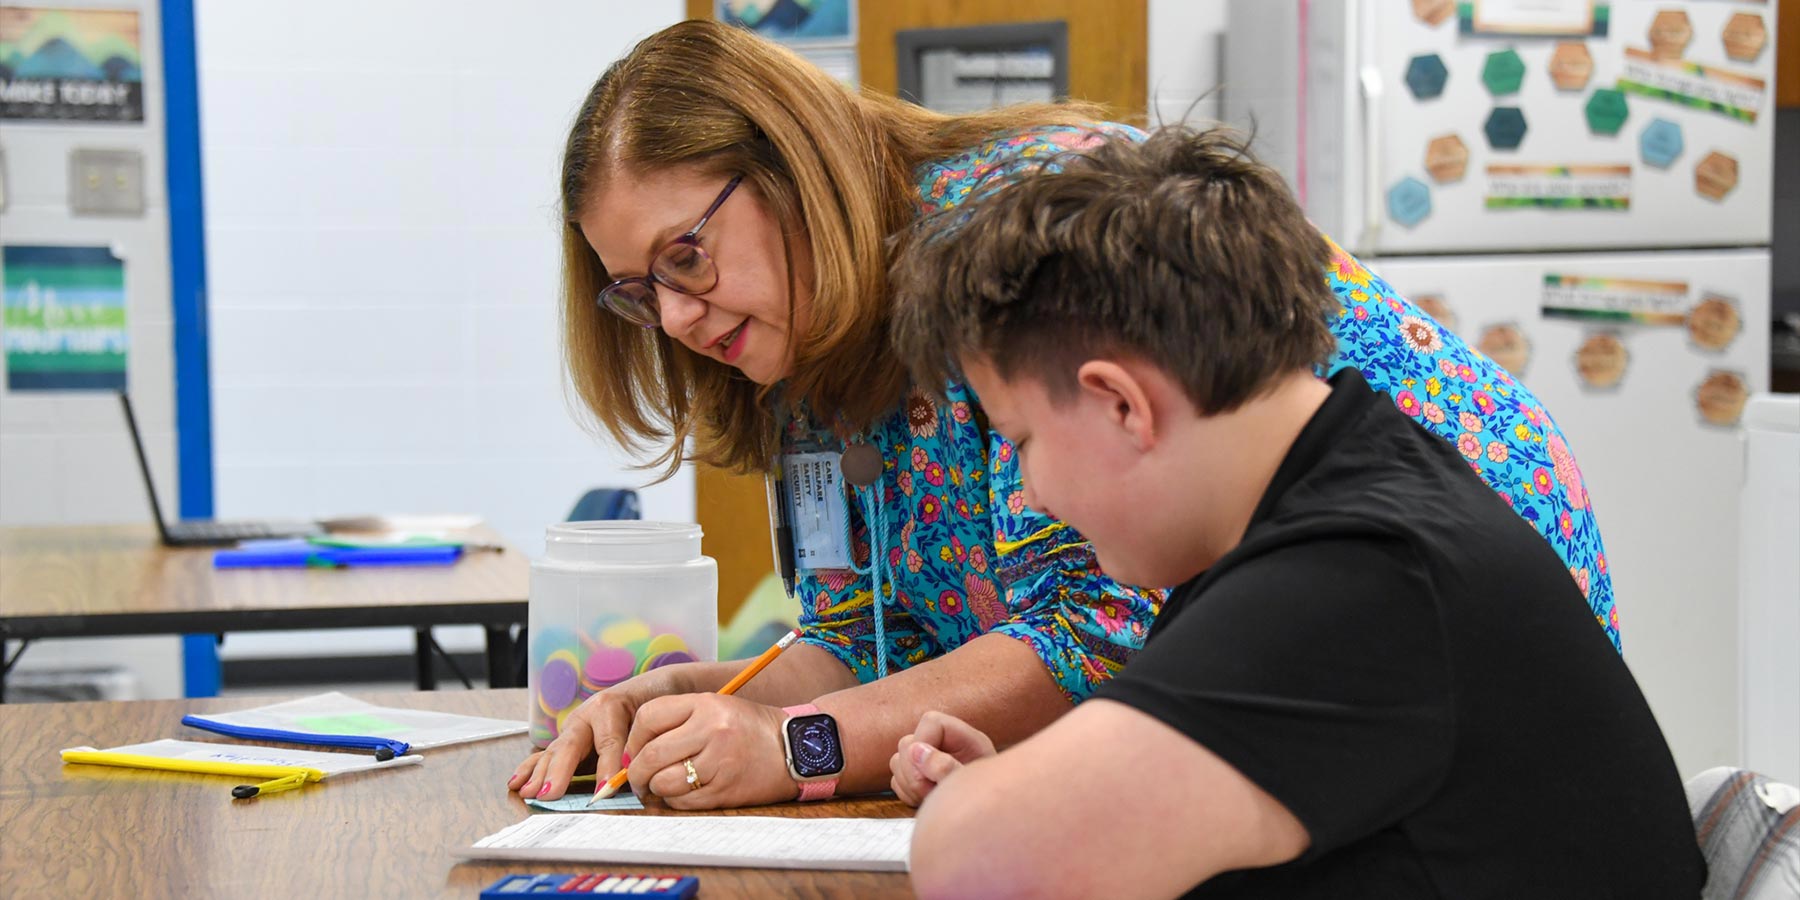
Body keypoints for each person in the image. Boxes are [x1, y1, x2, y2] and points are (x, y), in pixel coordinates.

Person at [511, 18, 1615, 809]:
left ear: (791, 169)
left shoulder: (1015, 243)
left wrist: (793, 744)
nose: (675, 314)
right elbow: (866, 636)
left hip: (1430, 681)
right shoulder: (798, 346)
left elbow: (1108, 624)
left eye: (687, 255)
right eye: (638, 289)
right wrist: (702, 703)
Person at [883, 127, 1700, 897]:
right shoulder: (1359, 493)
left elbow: (977, 862)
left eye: (1021, 441)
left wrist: (1003, 804)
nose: (1028, 496)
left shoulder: (1360, 577)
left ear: (1122, 405)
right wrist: (1049, 789)